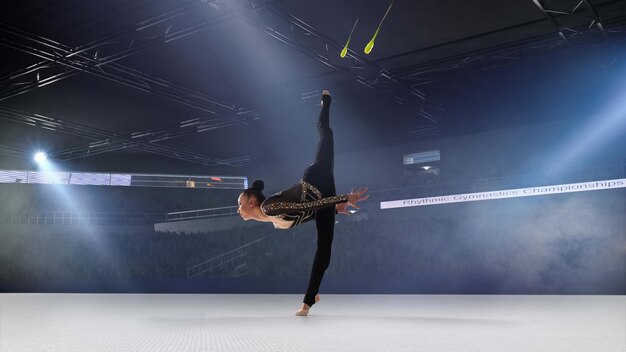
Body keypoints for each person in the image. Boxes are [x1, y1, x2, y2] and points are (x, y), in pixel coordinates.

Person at [237, 90, 369, 316]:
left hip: (317, 177)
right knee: (324, 247)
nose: (238, 209)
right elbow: (307, 215)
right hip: (323, 199)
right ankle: (311, 298)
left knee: (326, 133)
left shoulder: (270, 206)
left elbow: (304, 207)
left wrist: (343, 198)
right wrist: (334, 209)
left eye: (239, 204)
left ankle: (325, 103)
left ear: (251, 201)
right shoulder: (274, 222)